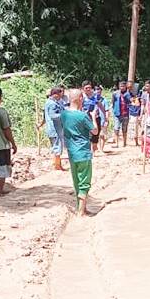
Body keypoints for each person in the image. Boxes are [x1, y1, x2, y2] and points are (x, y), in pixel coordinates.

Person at [61, 88, 99, 216]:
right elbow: (95, 131)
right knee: (84, 182)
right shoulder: (82, 116)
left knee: (76, 181)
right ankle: (81, 212)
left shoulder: (64, 114)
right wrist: (93, 117)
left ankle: (81, 208)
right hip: (83, 152)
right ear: (81, 99)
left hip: (71, 153)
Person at [42, 87, 65, 171]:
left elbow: (44, 116)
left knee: (56, 146)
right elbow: (53, 116)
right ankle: (57, 166)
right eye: (59, 95)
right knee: (57, 147)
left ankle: (57, 165)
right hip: (55, 129)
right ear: (55, 94)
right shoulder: (52, 104)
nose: (60, 97)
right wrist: (64, 115)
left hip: (53, 129)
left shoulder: (49, 102)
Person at [82, 81, 106, 154]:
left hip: (95, 117)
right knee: (87, 135)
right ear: (83, 89)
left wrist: (105, 115)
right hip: (85, 118)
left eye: (89, 87)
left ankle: (94, 150)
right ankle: (89, 151)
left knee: (96, 134)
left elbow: (100, 104)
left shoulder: (94, 96)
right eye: (86, 88)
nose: (88, 89)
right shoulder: (82, 97)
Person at [111, 81, 132, 148]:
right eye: (121, 86)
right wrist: (113, 110)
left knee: (124, 129)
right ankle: (117, 143)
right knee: (116, 128)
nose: (122, 88)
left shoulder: (128, 94)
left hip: (125, 114)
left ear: (125, 86)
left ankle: (124, 143)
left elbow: (131, 102)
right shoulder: (115, 94)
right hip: (117, 114)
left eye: (123, 86)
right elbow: (113, 102)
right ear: (119, 87)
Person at [95, 85, 110, 153]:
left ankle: (101, 149)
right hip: (95, 120)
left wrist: (106, 120)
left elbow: (107, 111)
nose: (98, 92)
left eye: (99, 91)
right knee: (95, 135)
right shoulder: (92, 100)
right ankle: (96, 148)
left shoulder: (104, 100)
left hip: (102, 120)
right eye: (96, 90)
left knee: (102, 135)